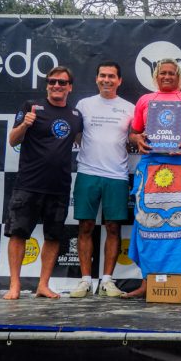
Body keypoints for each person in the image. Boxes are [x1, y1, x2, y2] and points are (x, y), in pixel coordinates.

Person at [124, 58, 181, 298]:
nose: (167, 77)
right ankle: (146, 283)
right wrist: (137, 139)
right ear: (156, 77)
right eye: (163, 73)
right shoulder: (145, 101)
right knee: (148, 224)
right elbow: (133, 133)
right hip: (151, 166)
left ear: (179, 77)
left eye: (172, 73)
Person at [3, 66, 83, 300]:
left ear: (70, 87)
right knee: (18, 234)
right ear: (47, 84)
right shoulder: (31, 107)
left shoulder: (76, 116)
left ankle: (43, 285)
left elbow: (81, 142)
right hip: (28, 184)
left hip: (59, 186)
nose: (56, 85)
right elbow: (12, 140)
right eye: (52, 81)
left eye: (61, 82)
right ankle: (15, 285)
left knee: (53, 237)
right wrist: (25, 124)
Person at [69, 61, 135, 298]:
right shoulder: (83, 105)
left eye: (112, 76)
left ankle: (107, 280)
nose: (107, 80)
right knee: (85, 226)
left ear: (119, 81)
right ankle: (85, 280)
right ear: (96, 78)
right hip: (87, 172)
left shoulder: (130, 107)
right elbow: (75, 134)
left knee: (113, 227)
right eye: (103, 76)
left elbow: (135, 137)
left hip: (117, 175)